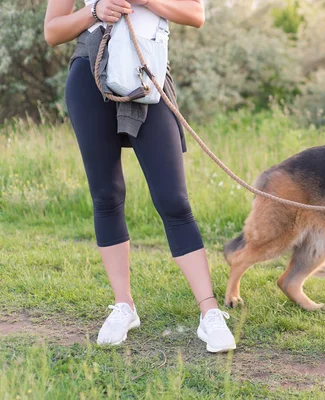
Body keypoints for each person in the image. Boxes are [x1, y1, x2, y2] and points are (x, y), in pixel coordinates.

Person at [44, 0, 236, 353]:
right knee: (106, 194)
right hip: (89, 73)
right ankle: (124, 306)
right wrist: (95, 10)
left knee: (173, 200)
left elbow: (196, 14)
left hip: (147, 71)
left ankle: (209, 313)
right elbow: (52, 31)